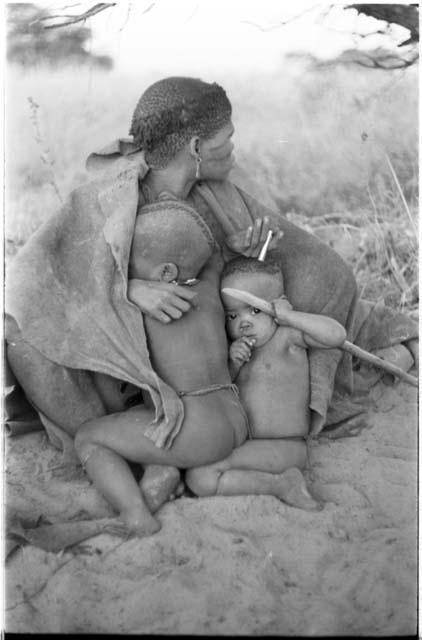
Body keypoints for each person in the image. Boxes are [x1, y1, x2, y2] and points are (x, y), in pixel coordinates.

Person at [6, 76, 416, 483]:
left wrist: (238, 252)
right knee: (21, 338)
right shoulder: (112, 195)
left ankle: (164, 455)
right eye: (227, 138)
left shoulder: (218, 196)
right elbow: (35, 285)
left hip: (208, 382)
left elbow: (300, 269)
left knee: (315, 289)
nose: (234, 147)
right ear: (196, 148)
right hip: (121, 370)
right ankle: (145, 454)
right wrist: (128, 290)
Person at [74, 199, 299, 535]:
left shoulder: (150, 306)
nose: (126, 272)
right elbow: (211, 257)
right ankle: (276, 483)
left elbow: (98, 297)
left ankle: (135, 515)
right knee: (202, 474)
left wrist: (130, 289)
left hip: (196, 430)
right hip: (236, 417)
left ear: (165, 274)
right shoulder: (209, 288)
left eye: (131, 264)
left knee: (89, 437)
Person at [184, 256, 346, 500]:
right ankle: (276, 483)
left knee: (200, 476)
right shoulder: (236, 351)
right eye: (232, 316)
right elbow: (222, 392)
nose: (244, 322)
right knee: (197, 473)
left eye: (255, 310)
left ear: (278, 306)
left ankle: (281, 485)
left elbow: (336, 335)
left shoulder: (288, 338)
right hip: (251, 447)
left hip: (287, 446)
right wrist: (233, 364)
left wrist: (290, 317)